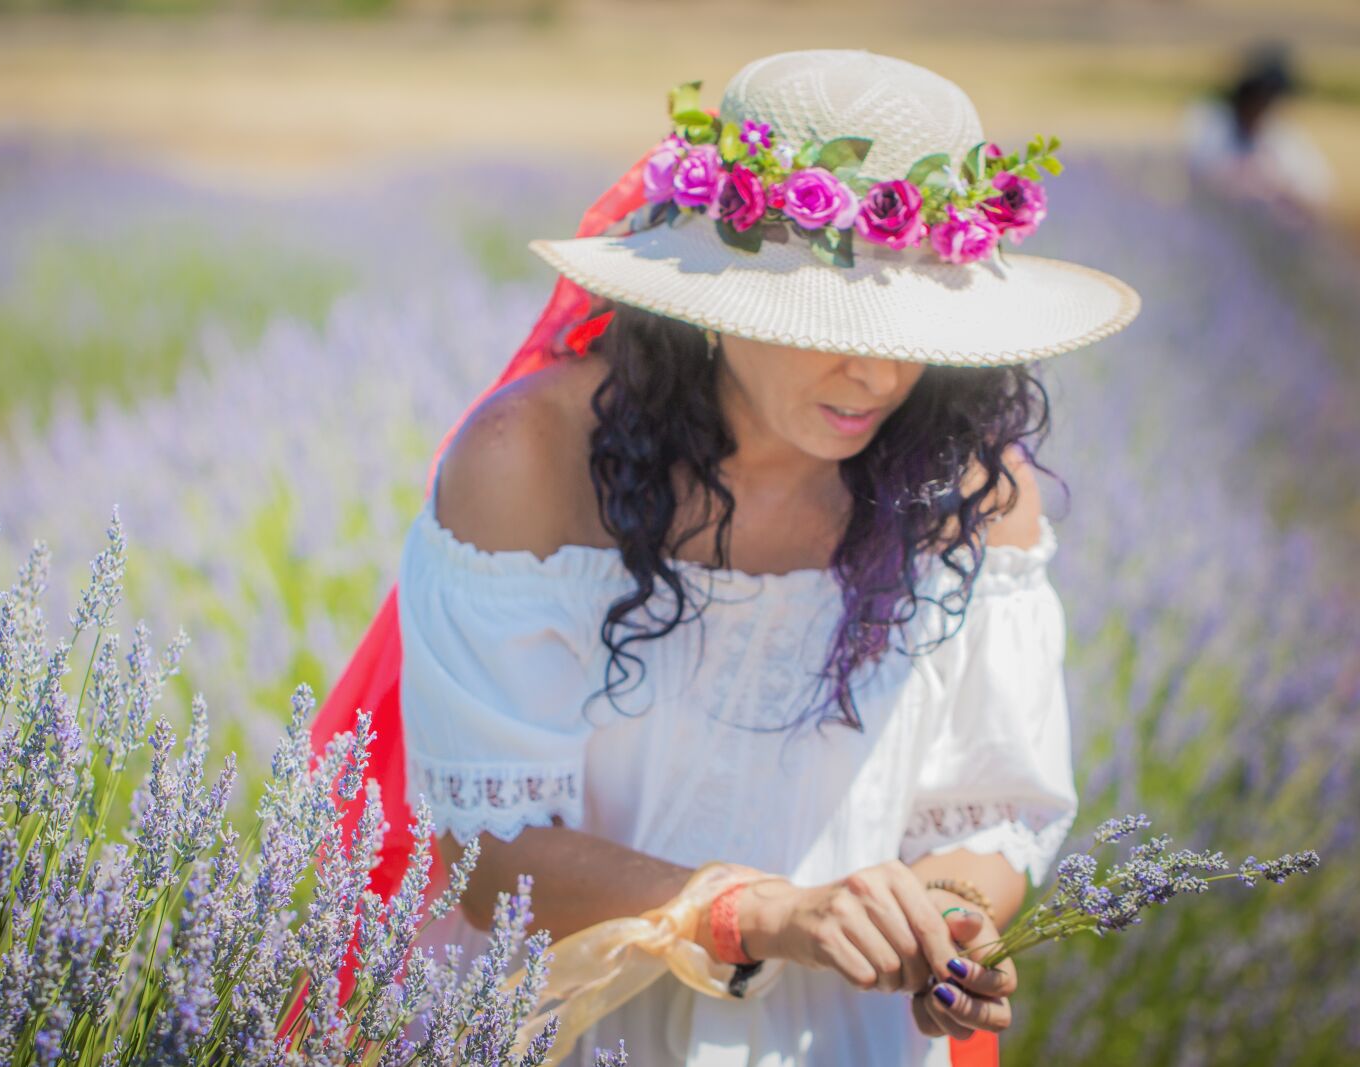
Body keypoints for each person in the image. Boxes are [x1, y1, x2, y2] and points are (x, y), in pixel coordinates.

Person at [312, 49, 1141, 1067]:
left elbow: (993, 803)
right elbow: (488, 850)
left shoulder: (972, 496)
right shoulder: (528, 464)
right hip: (567, 1024)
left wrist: (943, 917)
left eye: (916, 325)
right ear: (715, 298)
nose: (876, 371)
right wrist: (761, 910)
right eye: (829, 318)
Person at [1181, 42, 1335, 227]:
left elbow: (1318, 186)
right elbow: (1194, 171)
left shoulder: (1280, 135)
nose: (1266, 104)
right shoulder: (1208, 120)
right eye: (1262, 95)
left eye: (1271, 98)